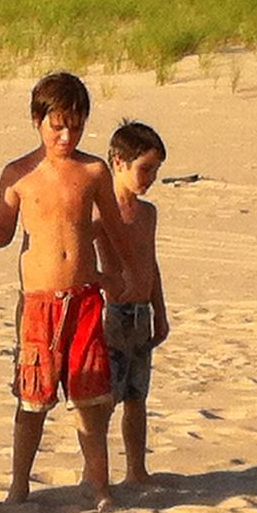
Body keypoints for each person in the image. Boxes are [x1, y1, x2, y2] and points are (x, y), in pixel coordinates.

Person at [0, 71, 147, 509]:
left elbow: (114, 231)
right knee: (33, 400)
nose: (67, 135)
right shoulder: (19, 174)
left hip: (85, 298)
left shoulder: (93, 170)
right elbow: (3, 232)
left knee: (92, 400)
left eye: (77, 125)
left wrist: (124, 272)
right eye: (58, 125)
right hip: (38, 302)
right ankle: (19, 485)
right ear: (37, 120)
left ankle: (98, 486)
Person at [99, 121, 170, 487]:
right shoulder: (100, 212)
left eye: (156, 170)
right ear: (119, 162)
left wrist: (160, 310)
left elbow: (150, 262)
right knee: (105, 398)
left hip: (142, 314)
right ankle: (95, 473)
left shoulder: (147, 213)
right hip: (112, 314)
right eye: (145, 168)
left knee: (137, 395)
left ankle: (136, 470)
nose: (151, 177)